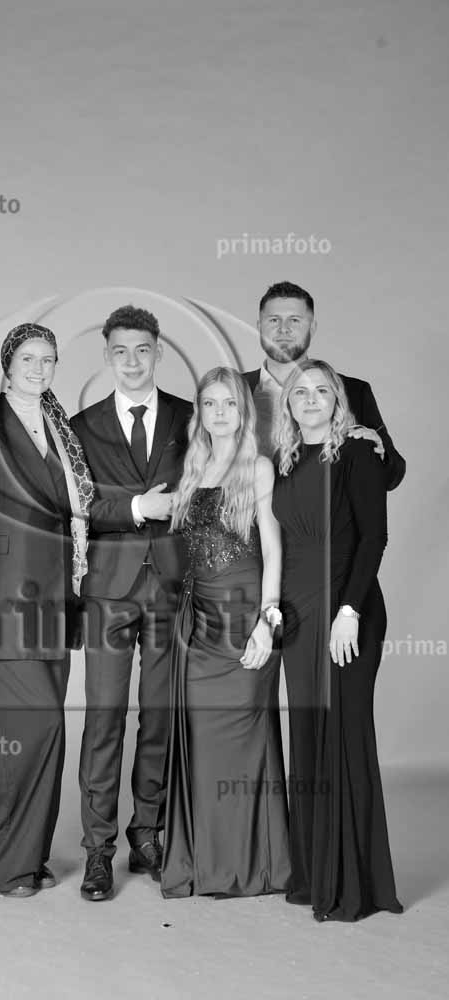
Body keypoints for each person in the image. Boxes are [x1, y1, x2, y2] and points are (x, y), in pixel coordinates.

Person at [0, 323, 94, 897]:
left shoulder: (66, 429)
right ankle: (6, 862)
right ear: (8, 363)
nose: (39, 368)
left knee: (49, 733)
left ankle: (29, 854)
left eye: (49, 359)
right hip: (2, 603)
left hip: (58, 602)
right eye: (29, 358)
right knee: (23, 731)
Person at [272, 358, 403, 921]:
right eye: (300, 391)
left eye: (322, 391)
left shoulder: (358, 453)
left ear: (338, 402)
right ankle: (313, 873)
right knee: (307, 737)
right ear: (287, 402)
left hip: (348, 611)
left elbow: (375, 538)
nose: (310, 398)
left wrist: (349, 610)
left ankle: (354, 883)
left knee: (344, 736)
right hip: (298, 617)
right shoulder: (283, 460)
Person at [70, 305, 193, 900]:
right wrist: (139, 508)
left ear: (158, 351)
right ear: (107, 356)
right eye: (120, 351)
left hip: (171, 585)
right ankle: (98, 849)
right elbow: (76, 505)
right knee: (104, 718)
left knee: (160, 715)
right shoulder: (81, 425)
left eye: (142, 349)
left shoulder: (190, 418)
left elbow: (215, 483)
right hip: (108, 590)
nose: (132, 361)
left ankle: (149, 832)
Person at [161, 367, 290, 898]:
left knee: (243, 742)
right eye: (209, 403)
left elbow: (273, 549)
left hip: (244, 620)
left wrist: (267, 622)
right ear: (200, 411)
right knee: (205, 745)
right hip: (198, 623)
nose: (219, 412)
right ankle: (207, 862)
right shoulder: (192, 468)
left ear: (244, 411)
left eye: (229, 403)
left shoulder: (258, 466)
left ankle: (252, 864)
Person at [243, 281, 406, 490]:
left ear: (312, 328)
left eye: (294, 320)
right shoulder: (229, 391)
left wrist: (378, 452)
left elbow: (392, 477)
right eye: (274, 320)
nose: (283, 329)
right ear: (259, 327)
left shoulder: (353, 392)